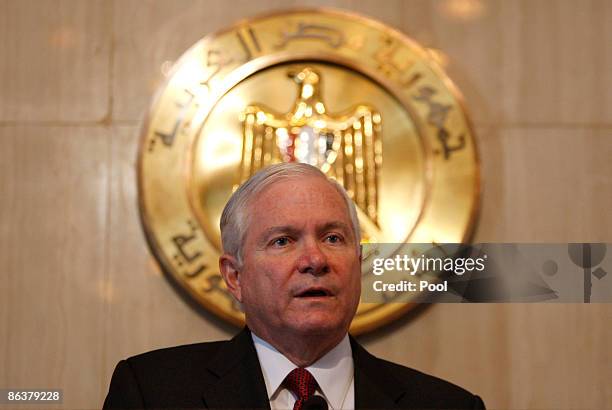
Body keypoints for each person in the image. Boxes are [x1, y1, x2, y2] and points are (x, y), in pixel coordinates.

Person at [103, 163, 485, 409]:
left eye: (333, 238)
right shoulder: (152, 394)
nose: (315, 260)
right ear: (234, 277)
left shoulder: (449, 406)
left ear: (359, 261)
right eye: (283, 241)